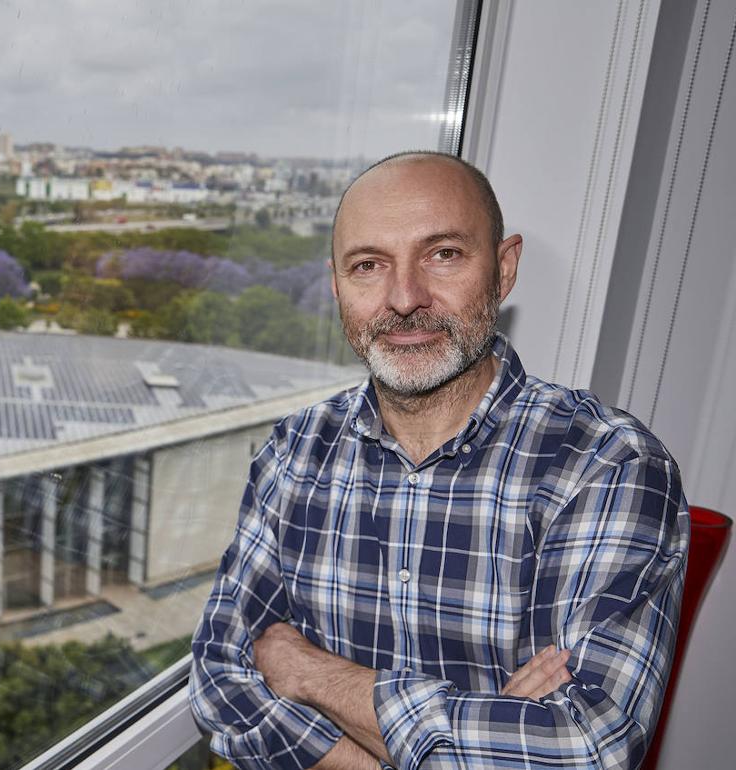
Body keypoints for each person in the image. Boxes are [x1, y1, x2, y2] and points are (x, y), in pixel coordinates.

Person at [188, 151, 689, 770]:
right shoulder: (295, 450)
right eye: (368, 265)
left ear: (504, 270)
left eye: (443, 254)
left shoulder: (607, 467)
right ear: (337, 284)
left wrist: (311, 674)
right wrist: (480, 736)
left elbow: (586, 749)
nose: (404, 298)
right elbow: (220, 679)